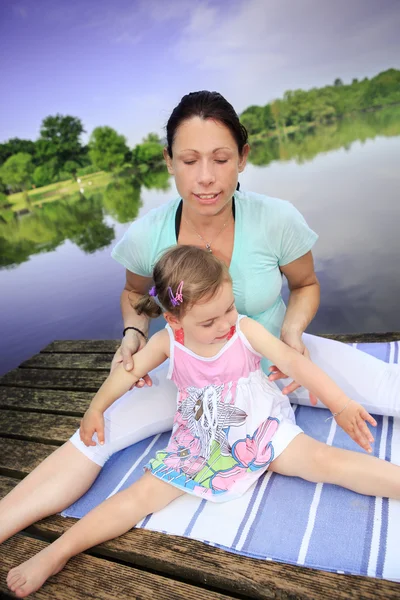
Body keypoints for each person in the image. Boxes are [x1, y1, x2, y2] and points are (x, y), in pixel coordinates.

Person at [6, 246, 400, 598]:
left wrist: (340, 403)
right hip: (201, 437)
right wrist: (95, 408)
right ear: (174, 321)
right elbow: (125, 374)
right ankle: (57, 552)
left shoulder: (244, 330)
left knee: (325, 463)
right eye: (208, 321)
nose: (225, 324)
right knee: (138, 497)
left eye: (229, 308)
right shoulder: (168, 342)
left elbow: (294, 361)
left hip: (257, 424)